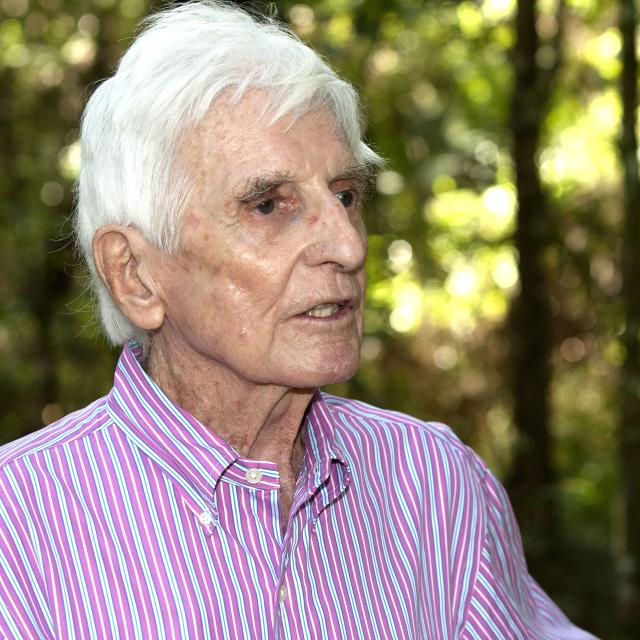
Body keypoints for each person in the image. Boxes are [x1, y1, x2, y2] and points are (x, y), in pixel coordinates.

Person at [0, 2, 596, 638]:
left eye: (345, 195)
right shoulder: (20, 534)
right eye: (267, 205)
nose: (348, 244)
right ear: (135, 275)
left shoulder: (434, 487)